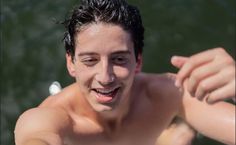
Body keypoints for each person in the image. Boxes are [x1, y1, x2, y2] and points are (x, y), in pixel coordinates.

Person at [14, 0, 235, 145]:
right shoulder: (54, 118)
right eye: (90, 60)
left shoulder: (172, 93)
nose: (105, 77)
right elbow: (37, 135)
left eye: (119, 59)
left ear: (138, 61)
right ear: (71, 64)